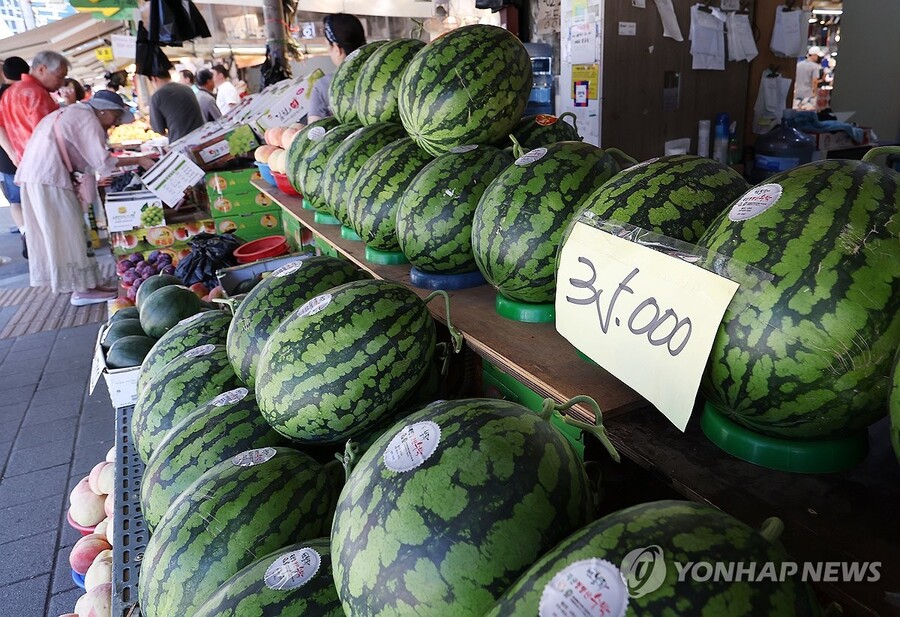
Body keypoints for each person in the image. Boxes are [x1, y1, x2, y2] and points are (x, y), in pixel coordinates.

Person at [15, 90, 155, 305]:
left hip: (43, 176)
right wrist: (141, 160)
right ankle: (82, 290)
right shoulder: (87, 118)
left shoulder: (79, 112)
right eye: (115, 118)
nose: (114, 124)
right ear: (103, 111)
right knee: (68, 231)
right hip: (47, 178)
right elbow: (103, 161)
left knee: (71, 230)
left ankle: (88, 284)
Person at [308, 13, 366, 122]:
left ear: (336, 48)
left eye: (327, 45)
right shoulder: (382, 74)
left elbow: (313, 130)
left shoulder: (323, 85)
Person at [0, 56, 29, 248]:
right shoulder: (26, 92)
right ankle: (33, 234)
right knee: (30, 198)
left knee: (16, 201)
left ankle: (26, 232)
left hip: (6, 157)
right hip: (26, 153)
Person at [148, 69, 204, 144]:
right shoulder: (187, 89)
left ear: (154, 79)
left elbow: (159, 129)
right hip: (201, 138)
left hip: (181, 145)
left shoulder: (157, 96)